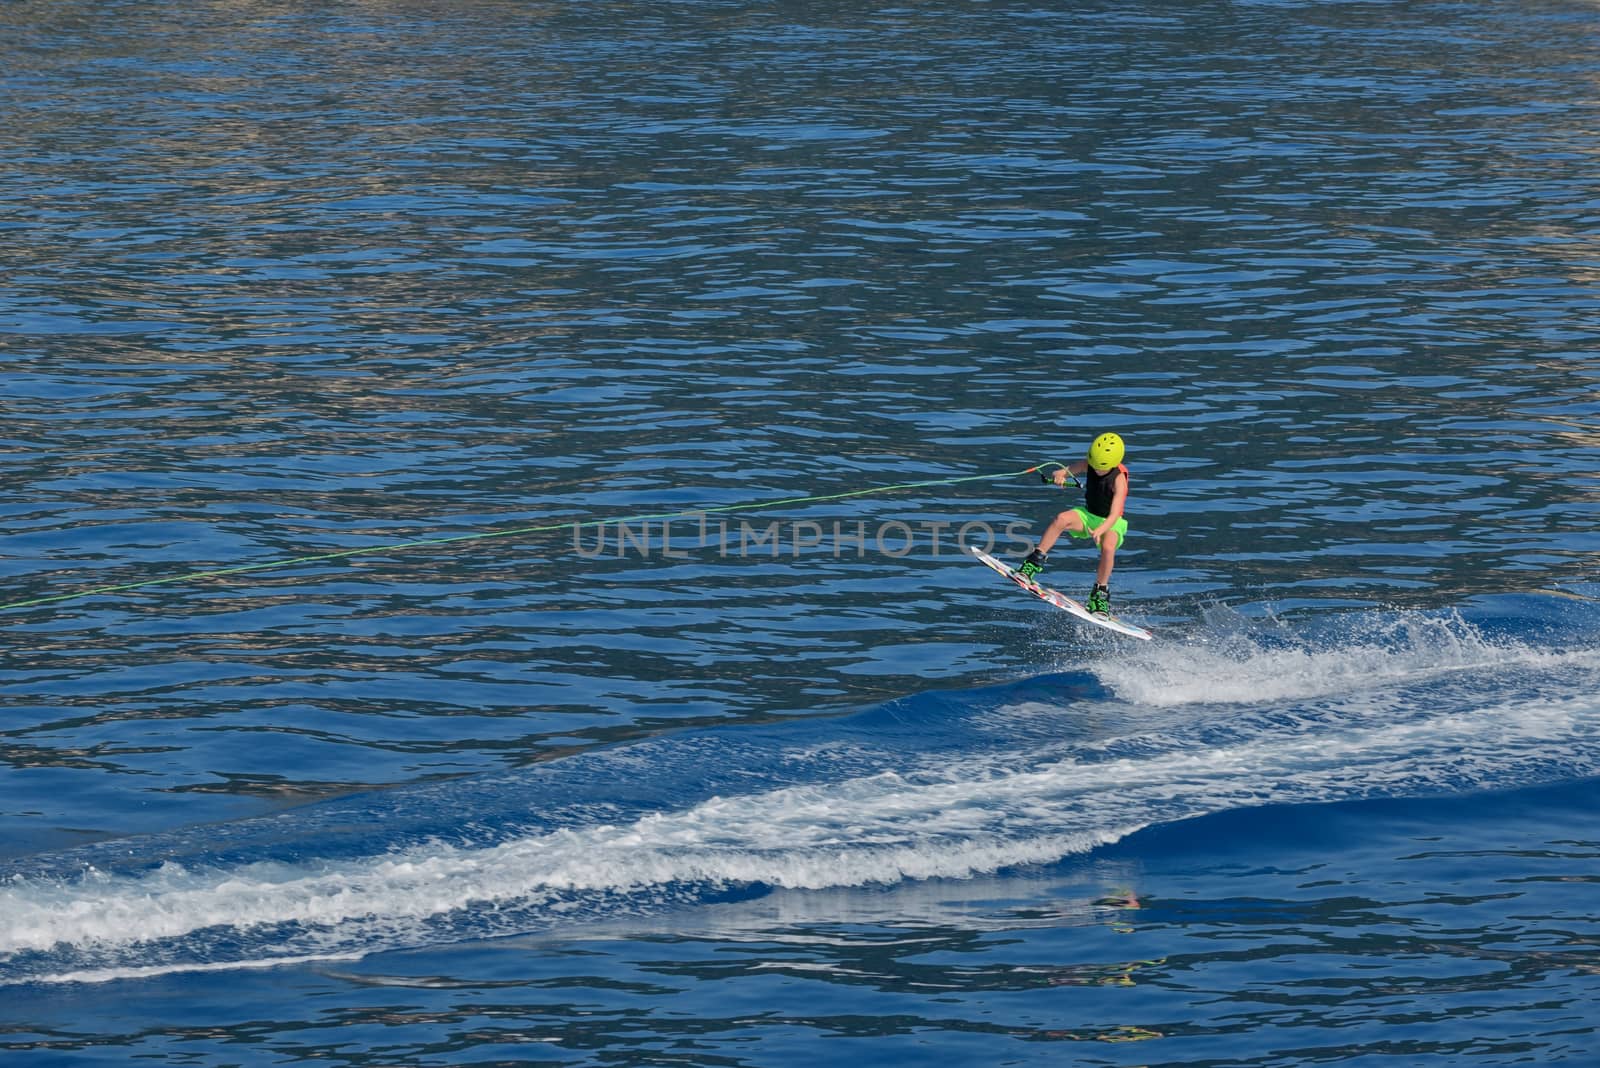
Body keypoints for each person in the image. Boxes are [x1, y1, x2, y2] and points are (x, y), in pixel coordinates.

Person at [1015, 432, 1129, 615]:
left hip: (1112, 522)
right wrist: (1060, 476)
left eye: (1100, 469)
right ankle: (1032, 564)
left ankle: (1099, 594)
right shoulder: (1089, 463)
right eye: (1093, 466)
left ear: (1113, 463)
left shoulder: (1118, 479)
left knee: (1108, 547)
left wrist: (1101, 529)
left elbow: (1115, 513)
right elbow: (1062, 472)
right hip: (1088, 515)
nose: (1096, 470)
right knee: (1061, 519)